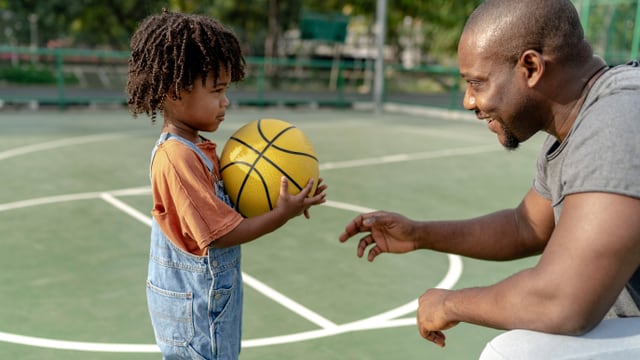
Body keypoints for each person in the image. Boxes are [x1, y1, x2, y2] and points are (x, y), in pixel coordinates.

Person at [339, 0, 640, 358]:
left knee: (516, 353)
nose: (468, 100)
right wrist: (419, 233)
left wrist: (450, 304)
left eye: (476, 83)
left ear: (530, 66)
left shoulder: (619, 117)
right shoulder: (576, 126)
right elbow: (525, 226)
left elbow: (563, 300)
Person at [126, 10, 326, 360]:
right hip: (198, 311)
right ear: (176, 91)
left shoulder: (195, 147)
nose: (226, 101)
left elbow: (225, 206)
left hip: (204, 300)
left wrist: (288, 199)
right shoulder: (178, 157)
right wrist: (280, 215)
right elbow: (217, 234)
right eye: (217, 90)